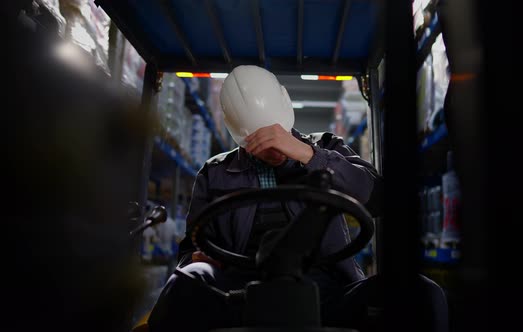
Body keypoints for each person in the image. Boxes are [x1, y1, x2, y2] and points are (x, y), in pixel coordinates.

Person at [147, 65, 383, 332]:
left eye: (276, 135)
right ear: (240, 136)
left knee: (414, 292)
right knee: (185, 283)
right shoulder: (215, 174)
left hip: (325, 290)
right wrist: (199, 259)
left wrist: (308, 155)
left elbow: (376, 197)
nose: (273, 148)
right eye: (260, 142)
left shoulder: (327, 149)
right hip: (238, 292)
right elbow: (190, 249)